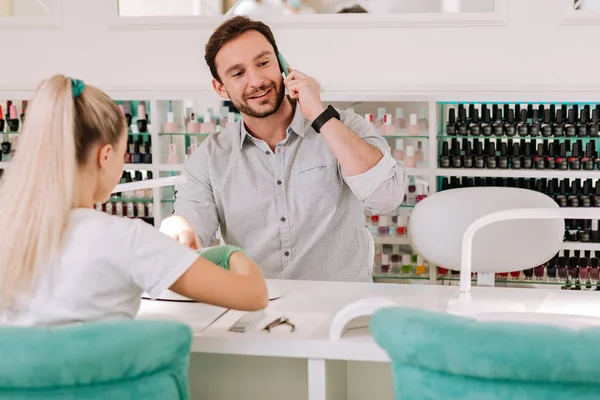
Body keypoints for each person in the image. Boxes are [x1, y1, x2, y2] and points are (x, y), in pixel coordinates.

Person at [0, 75, 268, 326]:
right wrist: (230, 254)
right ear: (105, 156)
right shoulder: (124, 239)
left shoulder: (9, 230)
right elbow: (253, 295)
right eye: (122, 152)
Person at [161, 16, 406, 282]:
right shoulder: (209, 158)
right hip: (259, 309)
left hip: (340, 306)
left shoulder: (344, 126)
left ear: (282, 64)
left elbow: (387, 198)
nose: (256, 81)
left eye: (263, 63)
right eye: (238, 73)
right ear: (220, 87)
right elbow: (189, 235)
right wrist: (177, 232)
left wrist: (321, 116)